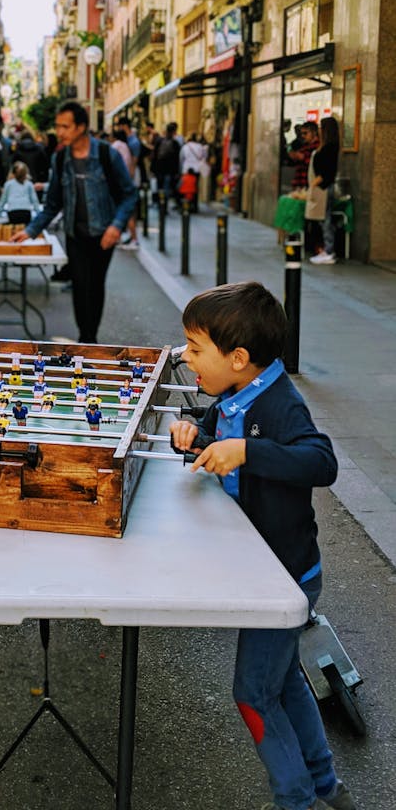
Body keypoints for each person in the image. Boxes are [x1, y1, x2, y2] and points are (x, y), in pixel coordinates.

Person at [170, 281, 356, 810]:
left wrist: (248, 451)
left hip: (285, 578)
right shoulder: (231, 393)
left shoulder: (279, 404)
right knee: (283, 682)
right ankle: (325, 784)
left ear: (239, 358)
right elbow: (213, 436)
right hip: (257, 571)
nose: (186, 357)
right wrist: (189, 435)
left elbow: (321, 461)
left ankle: (295, 799)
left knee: (253, 695)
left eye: (195, 348)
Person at [12, 101, 137, 344]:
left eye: (65, 126)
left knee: (95, 285)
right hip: (75, 236)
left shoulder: (105, 154)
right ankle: (86, 338)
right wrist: (30, 230)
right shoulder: (60, 159)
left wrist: (116, 226)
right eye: (58, 126)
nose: (59, 132)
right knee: (80, 286)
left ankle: (89, 336)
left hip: (103, 234)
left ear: (81, 127)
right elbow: (53, 204)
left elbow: (129, 193)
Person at [307, 116, 340, 266]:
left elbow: (327, 172)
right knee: (323, 220)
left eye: (321, 127)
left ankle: (328, 250)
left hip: (324, 188)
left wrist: (314, 184)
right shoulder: (326, 147)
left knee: (325, 220)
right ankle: (326, 250)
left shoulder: (329, 148)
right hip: (321, 187)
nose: (319, 130)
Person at [111, 129, 139, 249]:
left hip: (119, 184)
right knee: (127, 212)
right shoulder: (125, 147)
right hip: (126, 182)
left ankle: (133, 239)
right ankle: (129, 237)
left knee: (124, 212)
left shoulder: (116, 146)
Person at [152, 122, 182, 208]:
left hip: (159, 168)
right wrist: (177, 172)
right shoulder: (175, 143)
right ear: (174, 132)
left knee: (159, 187)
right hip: (169, 169)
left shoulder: (159, 141)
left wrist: (153, 168)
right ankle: (164, 206)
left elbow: (154, 155)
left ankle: (160, 205)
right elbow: (177, 159)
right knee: (167, 188)